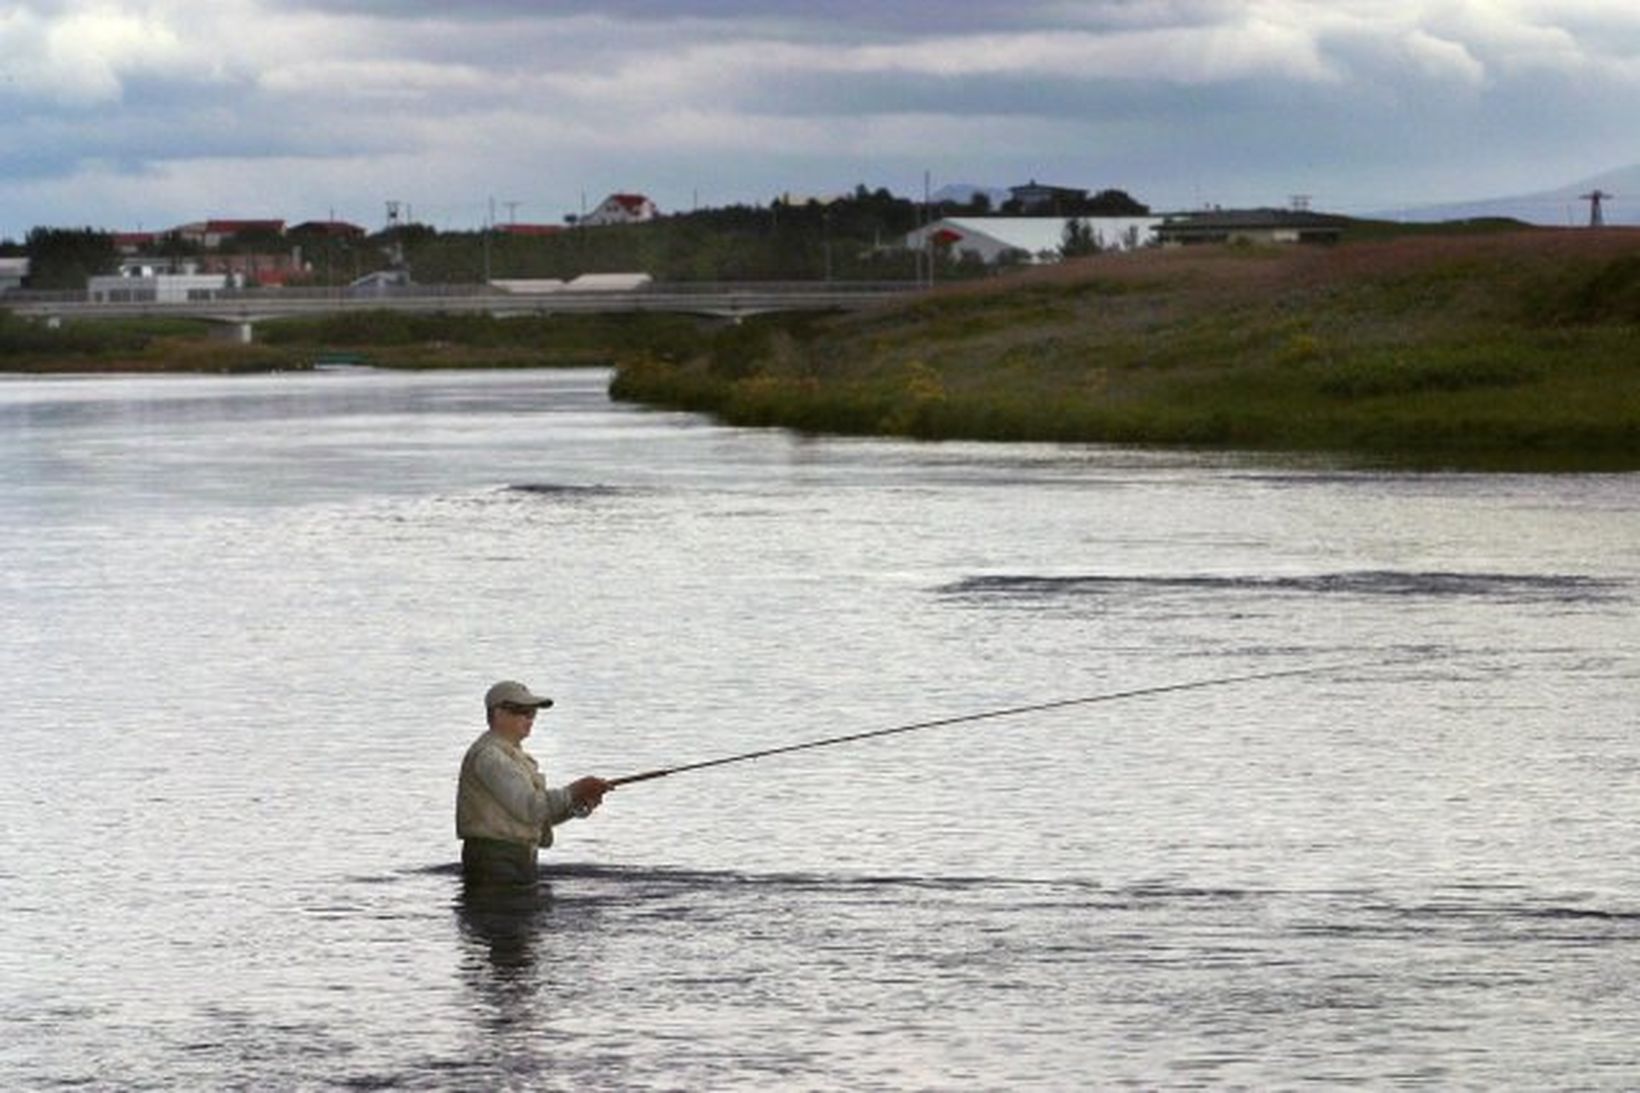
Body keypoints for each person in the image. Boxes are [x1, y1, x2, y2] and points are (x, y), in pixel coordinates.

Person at [456, 679, 612, 887]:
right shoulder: (490, 756)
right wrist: (574, 791)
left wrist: (575, 804)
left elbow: (535, 816)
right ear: (499, 713)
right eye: (522, 711)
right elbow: (530, 807)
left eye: (533, 713)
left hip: (514, 860)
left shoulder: (511, 756)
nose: (530, 719)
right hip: (496, 863)